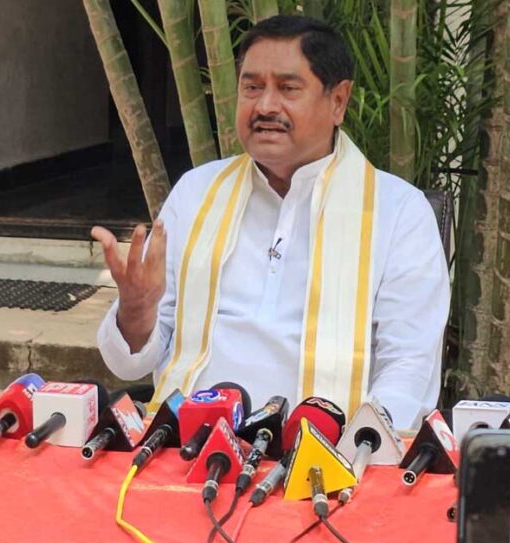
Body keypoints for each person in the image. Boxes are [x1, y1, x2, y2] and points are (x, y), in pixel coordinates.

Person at [91, 15, 449, 430]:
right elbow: (128, 363)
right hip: (188, 443)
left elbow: (408, 368)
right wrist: (137, 310)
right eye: (252, 87)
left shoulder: (399, 212)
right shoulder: (197, 192)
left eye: (288, 88)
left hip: (325, 454)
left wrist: (356, 449)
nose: (265, 106)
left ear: (338, 101)